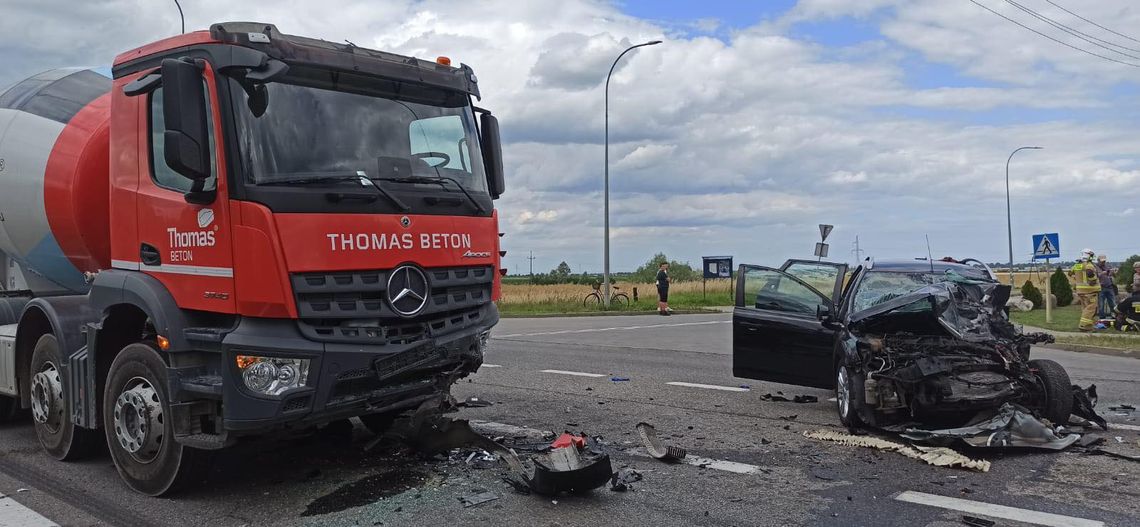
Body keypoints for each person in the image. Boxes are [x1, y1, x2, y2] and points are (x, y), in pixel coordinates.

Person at [1070, 249, 1100, 332]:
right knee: (1091, 308)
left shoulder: (1077, 265)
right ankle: (1083, 325)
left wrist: (1077, 279)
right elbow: (1090, 272)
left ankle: (1089, 326)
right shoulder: (1089, 265)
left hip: (1080, 291)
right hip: (1090, 291)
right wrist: (1093, 280)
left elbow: (1070, 273)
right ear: (1089, 255)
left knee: (1085, 308)